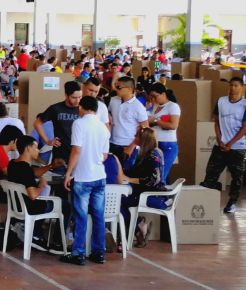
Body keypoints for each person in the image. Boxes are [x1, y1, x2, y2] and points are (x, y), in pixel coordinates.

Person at [60, 95, 110, 265]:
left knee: (80, 216)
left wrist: (68, 173)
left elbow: (76, 151)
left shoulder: (79, 124)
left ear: (82, 108)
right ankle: (99, 252)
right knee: (98, 216)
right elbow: (104, 156)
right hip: (99, 176)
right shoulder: (104, 128)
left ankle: (78, 253)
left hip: (82, 177)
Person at [203, 77, 246, 214]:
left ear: (242, 87)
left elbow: (245, 127)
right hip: (221, 146)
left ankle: (232, 202)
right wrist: (220, 140)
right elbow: (217, 122)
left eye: (236, 86)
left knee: (237, 177)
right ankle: (208, 199)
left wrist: (231, 143)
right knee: (210, 174)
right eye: (231, 85)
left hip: (238, 147)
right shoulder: (221, 101)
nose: (233, 88)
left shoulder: (245, 106)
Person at [119, 130, 166, 247]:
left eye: (136, 136)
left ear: (143, 140)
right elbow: (133, 171)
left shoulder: (153, 156)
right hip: (147, 192)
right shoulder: (147, 153)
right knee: (121, 200)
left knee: (118, 203)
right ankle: (139, 227)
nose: (134, 137)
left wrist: (129, 180)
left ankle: (138, 225)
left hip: (153, 195)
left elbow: (151, 180)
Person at [35, 80, 83, 164]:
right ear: (66, 95)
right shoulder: (55, 108)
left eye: (80, 97)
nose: (78, 101)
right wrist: (47, 141)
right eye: (74, 97)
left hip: (79, 155)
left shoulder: (83, 109)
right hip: (60, 155)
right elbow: (37, 123)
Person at [107, 75, 148, 167]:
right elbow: (108, 113)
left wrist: (132, 146)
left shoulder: (138, 107)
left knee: (126, 174)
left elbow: (145, 129)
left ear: (129, 89)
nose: (116, 89)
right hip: (112, 143)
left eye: (119, 87)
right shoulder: (113, 100)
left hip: (128, 145)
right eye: (115, 86)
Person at [146, 83, 181, 183]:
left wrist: (156, 121)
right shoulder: (154, 107)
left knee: (159, 176)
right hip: (155, 144)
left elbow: (173, 125)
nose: (153, 99)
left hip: (168, 144)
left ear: (163, 94)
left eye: (155, 96)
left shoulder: (173, 106)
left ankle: (160, 197)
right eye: (151, 97)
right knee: (157, 173)